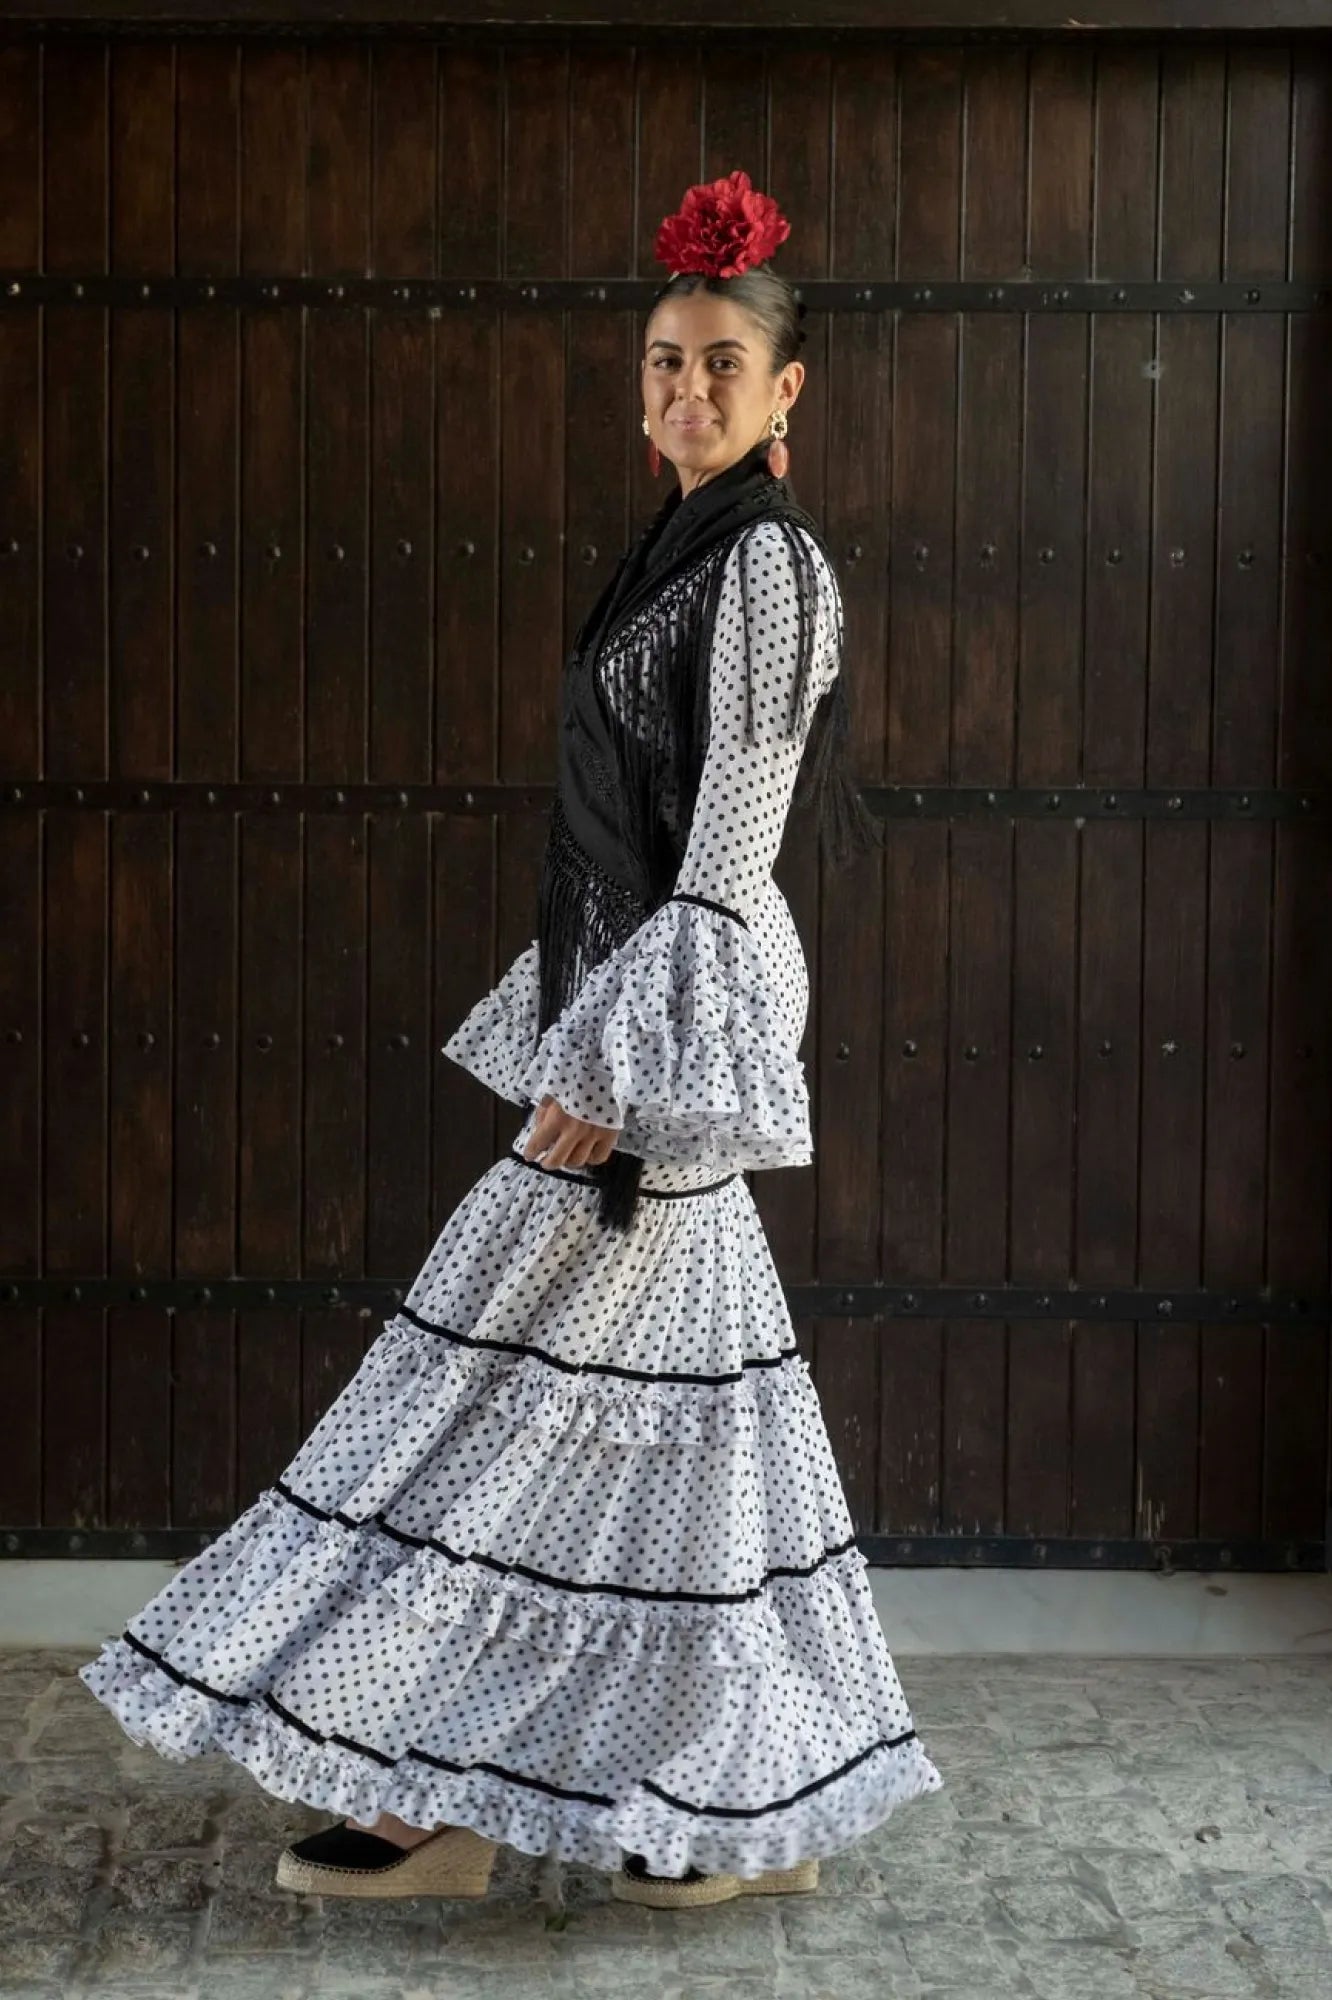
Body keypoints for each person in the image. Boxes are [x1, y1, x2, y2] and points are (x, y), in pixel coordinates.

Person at [78, 169, 943, 1913]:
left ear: (789, 394)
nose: (684, 390)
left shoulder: (769, 565)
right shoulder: (679, 548)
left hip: (676, 1039)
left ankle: (468, 1794)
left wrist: (622, 1087)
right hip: (632, 1003)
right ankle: (694, 1802)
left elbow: (725, 857)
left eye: (718, 364)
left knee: (500, 1400)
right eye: (661, 363)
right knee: (664, 1424)